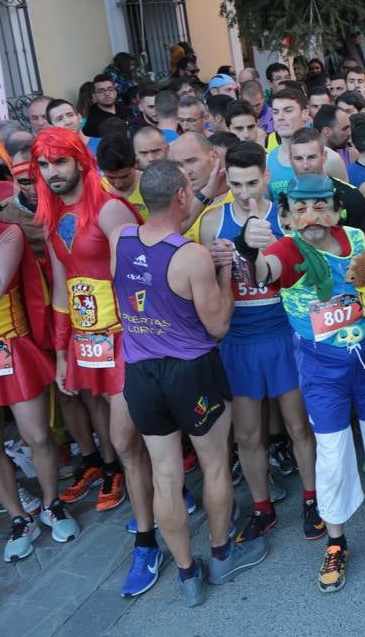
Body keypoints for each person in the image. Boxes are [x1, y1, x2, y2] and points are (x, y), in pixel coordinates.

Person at [251, 173, 365, 592]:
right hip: (321, 371)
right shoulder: (286, 250)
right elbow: (263, 271)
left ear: (337, 209)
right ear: (287, 217)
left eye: (321, 206)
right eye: (301, 210)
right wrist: (248, 246)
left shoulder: (362, 242)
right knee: (332, 450)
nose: (312, 217)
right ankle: (336, 539)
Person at [113, 161, 266, 605]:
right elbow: (217, 325)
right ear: (182, 195)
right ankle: (221, 555)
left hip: (141, 373)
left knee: (165, 476)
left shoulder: (119, 239)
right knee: (215, 464)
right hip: (192, 371)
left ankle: (186, 574)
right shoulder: (192, 255)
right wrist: (223, 271)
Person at [34, 128, 158, 595]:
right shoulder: (52, 215)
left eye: (59, 163)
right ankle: (159, 500)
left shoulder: (107, 206)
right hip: (91, 345)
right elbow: (63, 291)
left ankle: (147, 541)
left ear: (79, 162)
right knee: (123, 441)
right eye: (43, 166)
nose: (52, 174)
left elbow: (135, 272)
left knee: (125, 441)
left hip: (129, 337)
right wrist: (64, 353)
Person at [195, 142, 320, 542]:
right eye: (235, 184)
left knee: (298, 425)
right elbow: (208, 292)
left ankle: (312, 499)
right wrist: (215, 266)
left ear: (266, 176)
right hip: (239, 339)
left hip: (284, 332)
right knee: (247, 435)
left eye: (252, 182)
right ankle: (262, 508)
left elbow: (308, 274)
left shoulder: (285, 216)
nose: (245, 193)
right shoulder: (213, 223)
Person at [0, 172, 78, 562]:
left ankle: (51, 503)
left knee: (38, 436)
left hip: (10, 348)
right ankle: (18, 517)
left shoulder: (5, 233)